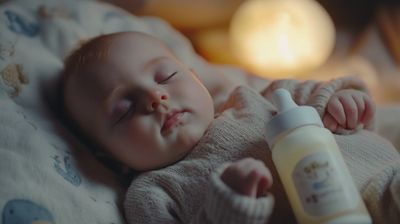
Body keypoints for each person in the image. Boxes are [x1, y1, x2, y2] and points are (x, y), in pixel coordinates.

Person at [62, 31, 376, 223]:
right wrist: (229, 207)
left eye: (165, 77)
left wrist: (343, 101)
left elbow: (310, 95)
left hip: (380, 181)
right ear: (110, 159)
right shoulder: (153, 194)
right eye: (125, 108)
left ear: (195, 76)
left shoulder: (247, 100)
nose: (155, 98)